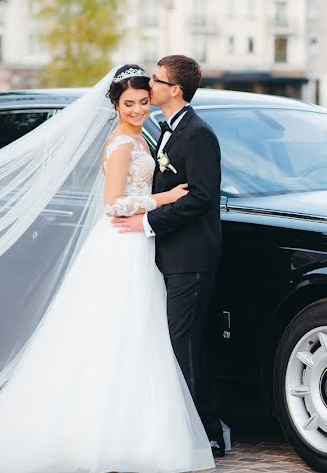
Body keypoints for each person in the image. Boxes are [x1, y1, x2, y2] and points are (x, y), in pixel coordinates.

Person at [0, 64, 216, 472]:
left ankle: (130, 431)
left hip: (141, 247)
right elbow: (112, 204)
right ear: (115, 105)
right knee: (113, 339)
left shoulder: (146, 135)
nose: (139, 109)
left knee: (137, 339)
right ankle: (100, 434)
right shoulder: (122, 142)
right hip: (123, 244)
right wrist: (164, 199)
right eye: (129, 104)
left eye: (143, 101)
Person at [111, 55, 225, 457]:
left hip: (191, 257)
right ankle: (203, 427)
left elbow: (203, 197)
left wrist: (148, 222)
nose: (148, 84)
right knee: (180, 343)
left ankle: (204, 433)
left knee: (183, 345)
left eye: (156, 80)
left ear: (174, 89)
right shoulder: (163, 130)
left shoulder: (197, 134)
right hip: (168, 256)